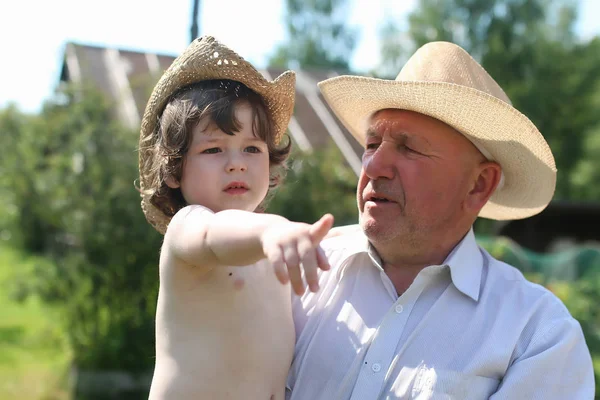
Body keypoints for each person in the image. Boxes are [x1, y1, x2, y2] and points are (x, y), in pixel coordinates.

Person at [285, 41, 595, 399]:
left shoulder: (536, 334)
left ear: (479, 184)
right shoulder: (297, 270)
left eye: (408, 147)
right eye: (372, 144)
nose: (372, 166)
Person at [138, 36, 334, 400]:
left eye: (252, 148)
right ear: (173, 170)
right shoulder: (189, 226)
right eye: (213, 149)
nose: (237, 162)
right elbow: (213, 236)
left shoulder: (271, 235)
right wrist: (273, 231)